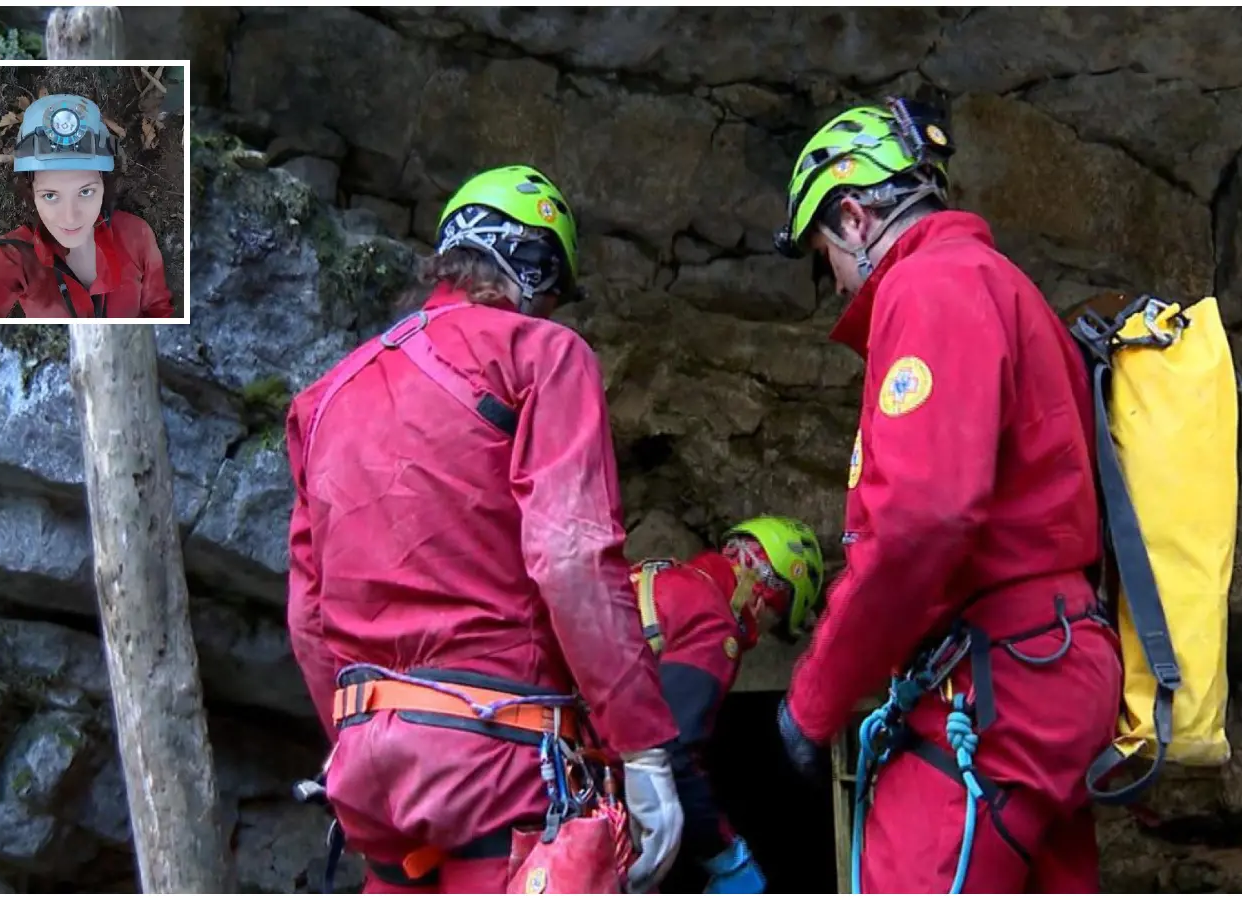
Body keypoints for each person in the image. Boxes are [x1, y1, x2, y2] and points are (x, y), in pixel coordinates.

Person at [284, 164, 683, 894]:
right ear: (533, 269)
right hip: (497, 768)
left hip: (368, 775)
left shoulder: (323, 401)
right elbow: (571, 559)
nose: (552, 314)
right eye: (553, 295)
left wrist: (359, 737)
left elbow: (310, 621)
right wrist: (645, 747)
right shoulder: (540, 357)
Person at [768, 97, 1124, 893]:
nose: (830, 282)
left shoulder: (930, 285)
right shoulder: (1002, 286)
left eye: (823, 251)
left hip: (995, 690)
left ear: (855, 217)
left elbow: (921, 521)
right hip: (1053, 668)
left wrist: (814, 699)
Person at [630, 516, 824, 894]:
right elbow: (673, 750)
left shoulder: (659, 579)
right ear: (767, 595)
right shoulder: (712, 621)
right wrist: (725, 853)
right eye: (774, 621)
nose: (759, 634)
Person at [0, 92, 172, 319]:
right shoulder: (16, 258)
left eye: (86, 192)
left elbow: (159, 312)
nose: (70, 217)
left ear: (104, 185)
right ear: (32, 193)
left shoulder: (136, 235)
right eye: (50, 196)